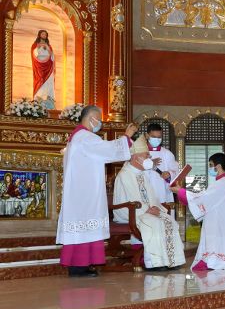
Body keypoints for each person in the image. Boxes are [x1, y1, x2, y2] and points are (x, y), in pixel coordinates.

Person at [57, 106, 137, 277]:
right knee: (85, 226)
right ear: (92, 117)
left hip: (81, 192)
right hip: (85, 194)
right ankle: (79, 267)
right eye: (99, 118)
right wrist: (127, 137)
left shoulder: (76, 138)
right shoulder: (85, 137)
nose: (100, 122)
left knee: (83, 228)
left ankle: (81, 265)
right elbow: (108, 150)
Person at [112, 135, 185, 270]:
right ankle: (155, 263)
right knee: (154, 223)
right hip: (129, 212)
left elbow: (151, 195)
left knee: (169, 220)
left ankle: (171, 260)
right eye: (146, 156)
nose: (149, 159)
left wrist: (156, 208)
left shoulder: (141, 173)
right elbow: (131, 198)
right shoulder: (125, 174)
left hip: (143, 210)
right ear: (136, 157)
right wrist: (147, 209)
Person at [171, 152, 225, 271]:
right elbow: (206, 198)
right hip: (219, 219)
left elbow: (203, 198)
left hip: (220, 222)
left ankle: (216, 260)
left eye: (211, 165)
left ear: (218, 166)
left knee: (217, 245)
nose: (210, 168)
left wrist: (180, 191)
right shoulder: (221, 182)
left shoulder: (223, 182)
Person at [144, 123, 181, 203]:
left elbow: (176, 171)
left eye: (159, 137)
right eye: (153, 137)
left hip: (163, 193)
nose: (157, 139)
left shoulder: (167, 153)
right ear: (147, 136)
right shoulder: (139, 152)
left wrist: (169, 174)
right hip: (144, 192)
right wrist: (148, 163)